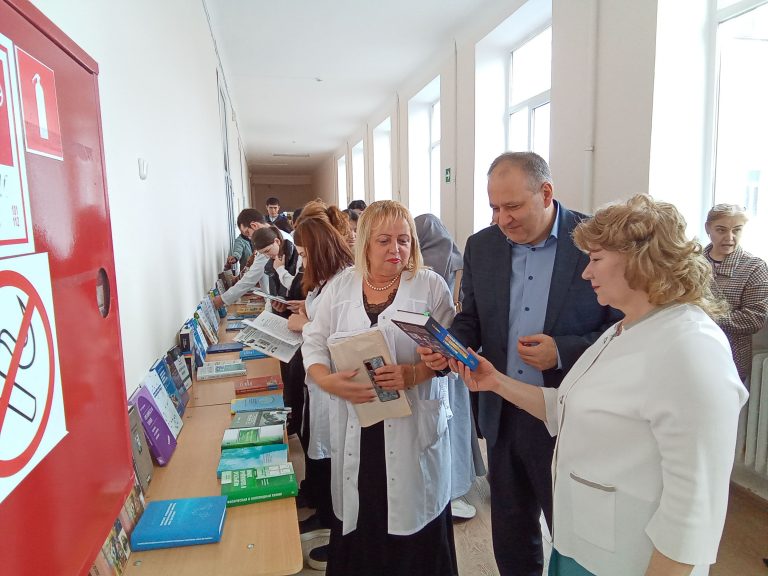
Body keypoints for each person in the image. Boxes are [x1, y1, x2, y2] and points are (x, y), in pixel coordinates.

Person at [451, 194, 748, 576]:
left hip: (629, 560)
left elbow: (694, 511)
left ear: (639, 260)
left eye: (595, 259)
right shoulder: (624, 328)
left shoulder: (691, 347)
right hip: (582, 544)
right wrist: (496, 382)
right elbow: (564, 406)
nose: (586, 273)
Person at [419, 151, 621, 576]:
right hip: (502, 412)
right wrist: (451, 346)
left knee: (572, 535)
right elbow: (472, 318)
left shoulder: (594, 242)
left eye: (512, 206)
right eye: (494, 207)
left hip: (568, 415)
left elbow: (621, 329)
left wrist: (561, 350)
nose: (502, 219)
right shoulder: (482, 246)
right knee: (511, 532)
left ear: (546, 193)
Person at [302, 200, 458, 576]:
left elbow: (448, 355)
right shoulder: (342, 286)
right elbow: (314, 340)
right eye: (384, 240)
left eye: (404, 240)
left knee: (411, 522)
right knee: (363, 513)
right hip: (358, 422)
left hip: (411, 425)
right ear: (365, 244)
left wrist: (414, 374)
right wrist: (324, 378)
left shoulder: (429, 286)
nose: (396, 250)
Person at [285, 203, 355, 570]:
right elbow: (322, 317)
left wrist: (305, 324)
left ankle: (331, 519)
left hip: (333, 380)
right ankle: (322, 508)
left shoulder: (344, 280)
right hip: (318, 376)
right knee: (318, 443)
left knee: (332, 453)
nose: (302, 260)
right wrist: (307, 313)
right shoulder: (327, 280)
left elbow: (337, 332)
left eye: (303, 253)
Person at [414, 213, 485, 521]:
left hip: (435, 357)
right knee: (455, 425)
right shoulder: (457, 262)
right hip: (455, 357)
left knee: (442, 428)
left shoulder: (423, 271)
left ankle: (448, 491)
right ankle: (458, 486)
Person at [703, 204, 768, 384]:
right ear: (708, 228)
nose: (729, 237)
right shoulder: (691, 262)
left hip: (731, 359)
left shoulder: (754, 267)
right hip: (691, 350)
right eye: (721, 230)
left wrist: (703, 318)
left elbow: (754, 319)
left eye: (737, 230)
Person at [212, 211, 293, 308]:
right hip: (278, 301)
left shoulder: (268, 243)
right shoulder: (278, 235)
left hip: (282, 302)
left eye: (248, 233)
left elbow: (251, 278)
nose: (250, 238)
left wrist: (222, 300)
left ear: (254, 225)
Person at [250, 225, 300, 299]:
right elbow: (274, 293)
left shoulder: (299, 256)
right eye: (263, 253)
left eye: (267, 251)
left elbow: (300, 289)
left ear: (277, 241)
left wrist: (280, 269)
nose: (267, 256)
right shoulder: (271, 264)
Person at [226, 208, 261, 273]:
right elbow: (237, 251)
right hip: (246, 271)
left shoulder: (259, 237)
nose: (248, 235)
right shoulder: (240, 240)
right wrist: (235, 258)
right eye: (243, 232)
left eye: (247, 231)